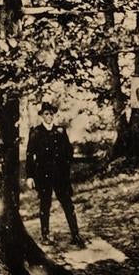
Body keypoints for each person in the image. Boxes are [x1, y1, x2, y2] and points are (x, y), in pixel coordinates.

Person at [25, 102, 84, 247]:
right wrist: (30, 176)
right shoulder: (36, 132)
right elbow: (29, 155)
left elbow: (69, 150)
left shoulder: (60, 131)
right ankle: (45, 235)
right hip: (43, 175)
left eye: (51, 113)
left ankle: (75, 235)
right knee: (45, 204)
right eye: (46, 114)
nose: (49, 116)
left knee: (67, 204)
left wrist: (66, 164)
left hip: (60, 175)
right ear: (41, 116)